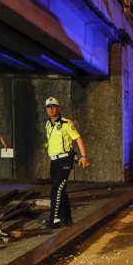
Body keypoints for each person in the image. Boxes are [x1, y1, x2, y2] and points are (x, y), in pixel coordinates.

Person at [44, 97, 89, 228]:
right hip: (54, 161)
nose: (51, 109)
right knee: (61, 190)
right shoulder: (47, 124)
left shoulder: (66, 123)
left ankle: (54, 219)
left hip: (65, 160)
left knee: (55, 191)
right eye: (49, 107)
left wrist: (83, 156)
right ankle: (67, 219)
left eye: (53, 106)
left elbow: (78, 139)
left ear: (58, 108)